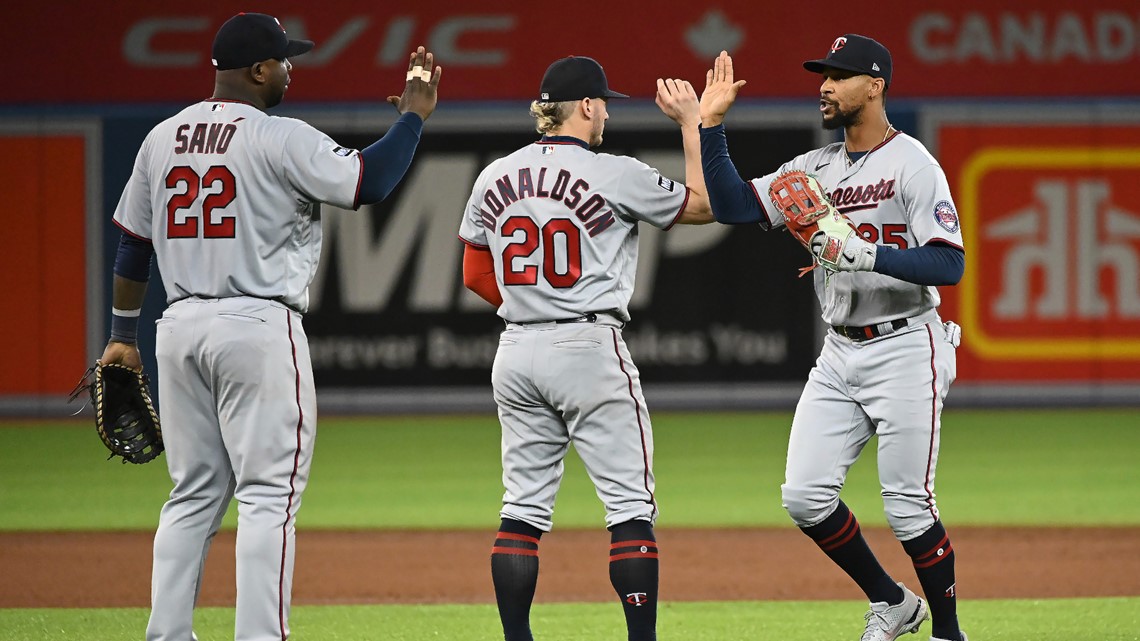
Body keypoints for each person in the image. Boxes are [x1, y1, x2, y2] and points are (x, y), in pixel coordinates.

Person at [99, 12, 440, 640]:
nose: (291, 69)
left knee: (193, 492)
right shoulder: (278, 136)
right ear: (258, 71)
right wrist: (414, 116)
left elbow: (132, 250)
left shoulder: (161, 137)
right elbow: (370, 180)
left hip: (177, 331)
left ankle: (166, 635)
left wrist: (122, 335)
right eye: (285, 60)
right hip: (255, 325)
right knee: (268, 496)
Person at [697, 36, 967, 641]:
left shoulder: (913, 163)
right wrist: (712, 125)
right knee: (804, 496)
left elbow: (950, 264)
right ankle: (892, 603)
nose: (825, 85)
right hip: (840, 350)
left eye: (840, 75)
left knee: (907, 507)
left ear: (875, 86)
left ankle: (949, 633)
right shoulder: (813, 169)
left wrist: (868, 252)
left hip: (906, 345)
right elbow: (735, 206)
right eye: (822, 74)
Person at [458, 56, 713, 641]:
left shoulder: (494, 174)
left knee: (522, 507)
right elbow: (701, 205)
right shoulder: (613, 171)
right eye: (605, 104)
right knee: (629, 507)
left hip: (517, 348)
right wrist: (692, 125)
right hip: (587, 342)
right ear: (589, 106)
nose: (606, 114)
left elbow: (474, 273)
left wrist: (531, 306)